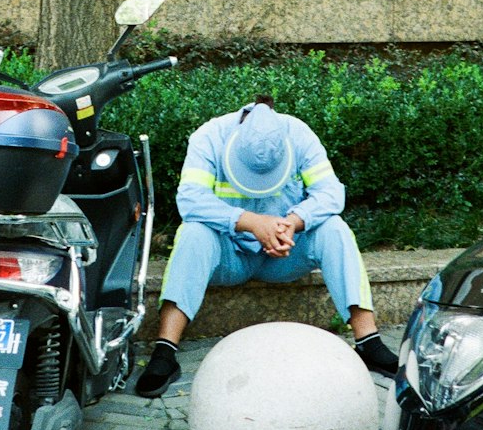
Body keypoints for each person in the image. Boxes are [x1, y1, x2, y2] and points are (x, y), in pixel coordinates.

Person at [134, 97, 398, 397]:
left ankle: (368, 342)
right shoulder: (208, 137)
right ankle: (165, 352)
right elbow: (190, 200)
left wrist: (293, 222)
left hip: (284, 255)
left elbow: (331, 193)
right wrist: (250, 222)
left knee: (335, 228)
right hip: (228, 255)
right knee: (193, 233)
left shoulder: (299, 134)